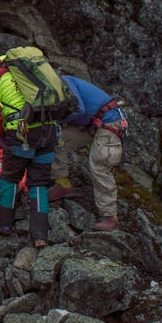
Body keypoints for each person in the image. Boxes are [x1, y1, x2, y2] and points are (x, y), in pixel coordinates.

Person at [0, 55, 58, 248]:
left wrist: (2, 135)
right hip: (49, 129)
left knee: (10, 178)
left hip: (21, 132)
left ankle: (4, 226)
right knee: (39, 182)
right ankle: (40, 234)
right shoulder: (23, 68)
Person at [50, 75, 128, 231]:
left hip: (110, 122)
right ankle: (62, 183)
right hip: (93, 124)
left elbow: (79, 109)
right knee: (56, 137)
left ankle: (109, 217)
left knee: (100, 164)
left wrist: (61, 119)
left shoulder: (63, 81)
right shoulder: (59, 83)